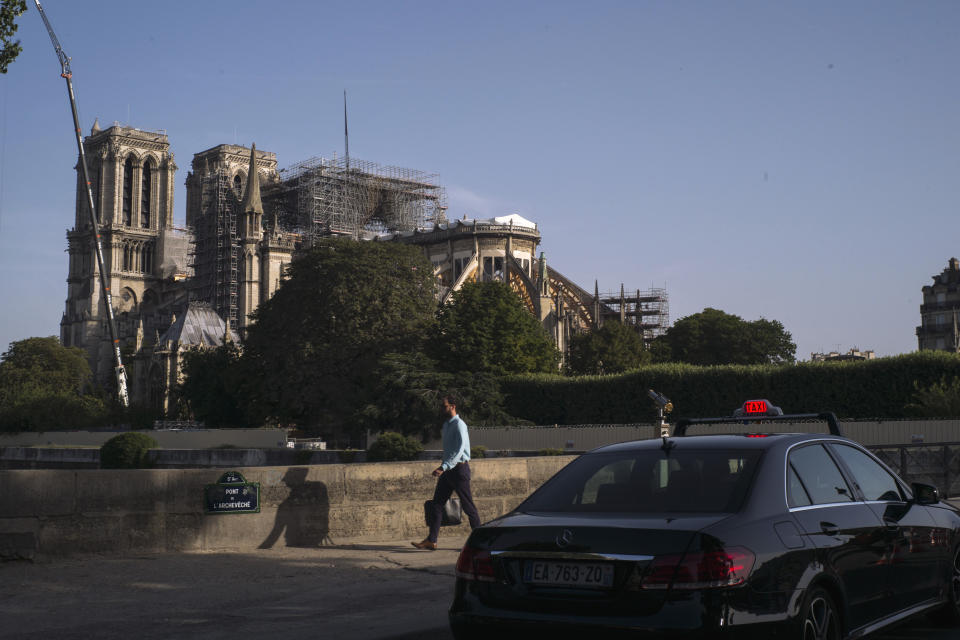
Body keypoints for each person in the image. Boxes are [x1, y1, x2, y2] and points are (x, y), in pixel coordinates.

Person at [412, 395, 482, 550]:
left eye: (444, 406)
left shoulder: (459, 425)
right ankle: (432, 540)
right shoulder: (446, 425)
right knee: (436, 504)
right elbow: (450, 450)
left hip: (458, 470)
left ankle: (480, 542)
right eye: (441, 406)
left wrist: (443, 467)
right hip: (448, 470)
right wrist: (444, 466)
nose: (442, 409)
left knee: (468, 506)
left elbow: (459, 450)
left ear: (453, 406)